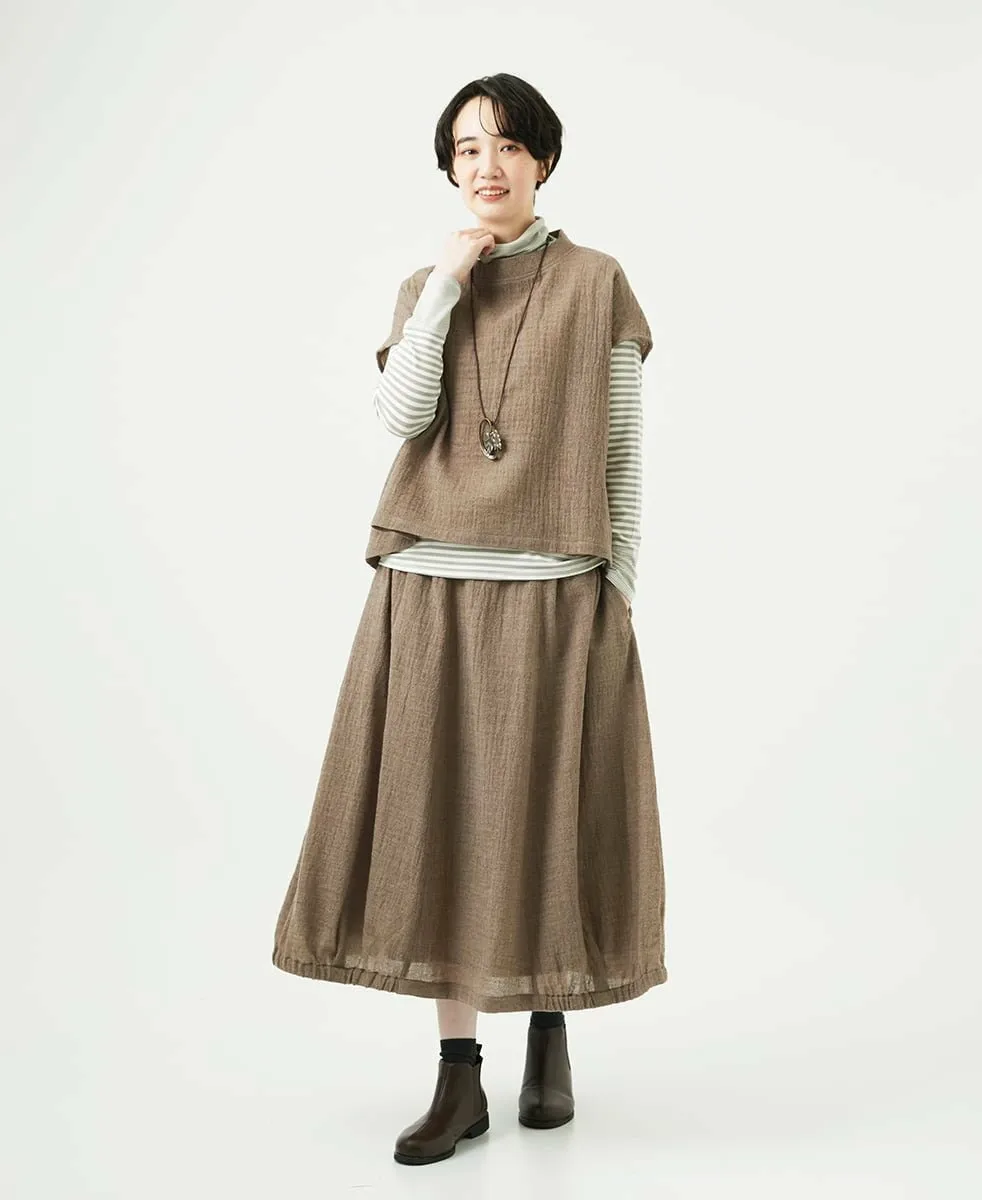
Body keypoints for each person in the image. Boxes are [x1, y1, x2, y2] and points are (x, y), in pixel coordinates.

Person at [271, 72, 667, 1167]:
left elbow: (621, 447)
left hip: (556, 585)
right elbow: (401, 417)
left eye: (505, 146)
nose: (485, 166)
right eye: (464, 149)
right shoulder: (425, 283)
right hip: (429, 584)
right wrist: (446, 284)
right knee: (438, 821)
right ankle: (459, 1078)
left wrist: (620, 587)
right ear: (449, 168)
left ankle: (549, 1033)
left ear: (543, 159)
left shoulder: (597, 283)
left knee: (542, 816)